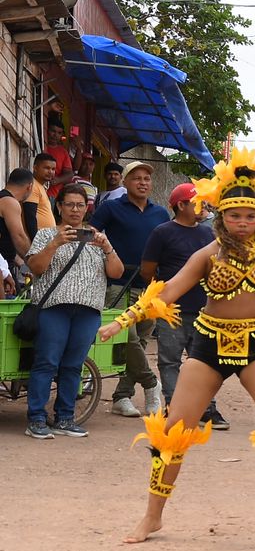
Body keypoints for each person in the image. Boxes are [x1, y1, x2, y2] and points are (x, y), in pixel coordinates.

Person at [98, 148, 255, 544]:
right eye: (234, 215)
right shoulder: (207, 254)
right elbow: (167, 291)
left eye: (250, 216)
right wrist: (123, 319)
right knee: (173, 429)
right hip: (209, 344)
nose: (243, 222)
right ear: (221, 217)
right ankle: (152, 516)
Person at [21, 184, 124, 438]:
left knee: (73, 366)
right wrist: (55, 243)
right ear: (59, 207)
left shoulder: (96, 236)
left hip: (88, 311)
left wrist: (107, 248)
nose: (76, 210)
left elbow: (117, 273)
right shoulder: (46, 235)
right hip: (54, 309)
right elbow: (36, 267)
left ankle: (65, 418)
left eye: (81, 205)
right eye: (70, 204)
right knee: (46, 362)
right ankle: (36, 418)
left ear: (87, 207)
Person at [142, 183, 225, 430]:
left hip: (204, 310)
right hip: (172, 311)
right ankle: (174, 408)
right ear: (181, 205)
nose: (204, 207)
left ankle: (208, 410)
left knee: (206, 362)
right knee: (170, 361)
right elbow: (148, 270)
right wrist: (166, 294)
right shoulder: (162, 232)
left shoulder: (208, 234)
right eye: (197, 201)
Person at [92, 160, 169, 417]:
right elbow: (92, 234)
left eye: (147, 178)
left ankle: (121, 396)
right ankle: (151, 384)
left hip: (149, 287)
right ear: (125, 183)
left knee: (141, 341)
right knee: (127, 338)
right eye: (136, 178)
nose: (143, 182)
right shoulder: (111, 208)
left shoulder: (160, 213)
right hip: (118, 283)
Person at [2, 167, 39, 276]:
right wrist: (34, 261)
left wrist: (23, 265)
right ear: (30, 186)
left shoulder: (3, 198)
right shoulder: (10, 202)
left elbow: (6, 241)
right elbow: (19, 237)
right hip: (3, 268)